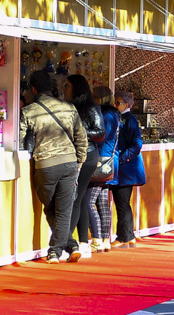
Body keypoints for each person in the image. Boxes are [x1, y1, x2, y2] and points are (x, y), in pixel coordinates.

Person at [19, 70, 88, 263]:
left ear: (33, 89)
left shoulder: (28, 111)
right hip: (69, 163)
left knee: (50, 209)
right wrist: (79, 163)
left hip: (45, 165)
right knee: (64, 210)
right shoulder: (69, 108)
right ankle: (71, 245)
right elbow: (81, 138)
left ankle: (55, 251)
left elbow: (20, 140)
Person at [63, 75, 105, 259]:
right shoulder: (72, 107)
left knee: (76, 198)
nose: (65, 89)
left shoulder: (90, 107)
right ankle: (81, 242)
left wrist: (79, 132)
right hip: (77, 154)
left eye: (68, 86)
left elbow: (101, 132)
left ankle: (69, 243)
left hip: (86, 155)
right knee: (78, 199)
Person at [110, 90, 145, 248]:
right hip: (125, 168)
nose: (115, 105)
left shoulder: (129, 120)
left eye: (118, 103)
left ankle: (123, 236)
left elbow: (137, 144)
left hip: (126, 168)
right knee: (123, 202)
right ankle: (128, 234)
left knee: (122, 202)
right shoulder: (123, 118)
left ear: (127, 104)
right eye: (115, 102)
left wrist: (122, 158)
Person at [87, 86, 120, 252]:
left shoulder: (104, 115)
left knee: (88, 202)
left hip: (99, 159)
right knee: (102, 202)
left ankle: (97, 238)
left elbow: (100, 136)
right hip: (108, 161)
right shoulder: (114, 114)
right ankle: (105, 239)